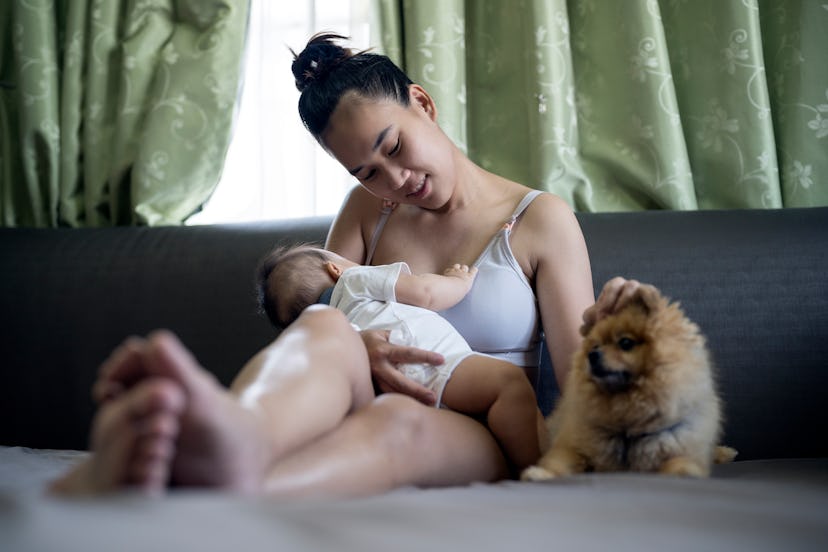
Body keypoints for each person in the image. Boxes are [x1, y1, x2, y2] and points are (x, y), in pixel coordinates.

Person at [51, 32, 641, 498]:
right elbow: (316, 316)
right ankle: (240, 432)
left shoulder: (539, 220)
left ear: (423, 104)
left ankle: (204, 487)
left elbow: (577, 384)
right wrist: (364, 347)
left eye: (394, 147)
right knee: (327, 325)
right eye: (368, 172)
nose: (396, 182)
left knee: (396, 426)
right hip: (359, 391)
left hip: (479, 423)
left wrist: (623, 336)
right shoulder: (369, 211)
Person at [257, 244, 544, 471]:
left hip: (393, 394)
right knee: (509, 383)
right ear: (335, 269)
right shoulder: (353, 281)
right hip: (434, 363)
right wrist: (458, 281)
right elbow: (426, 292)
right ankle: (536, 471)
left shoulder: (333, 327)